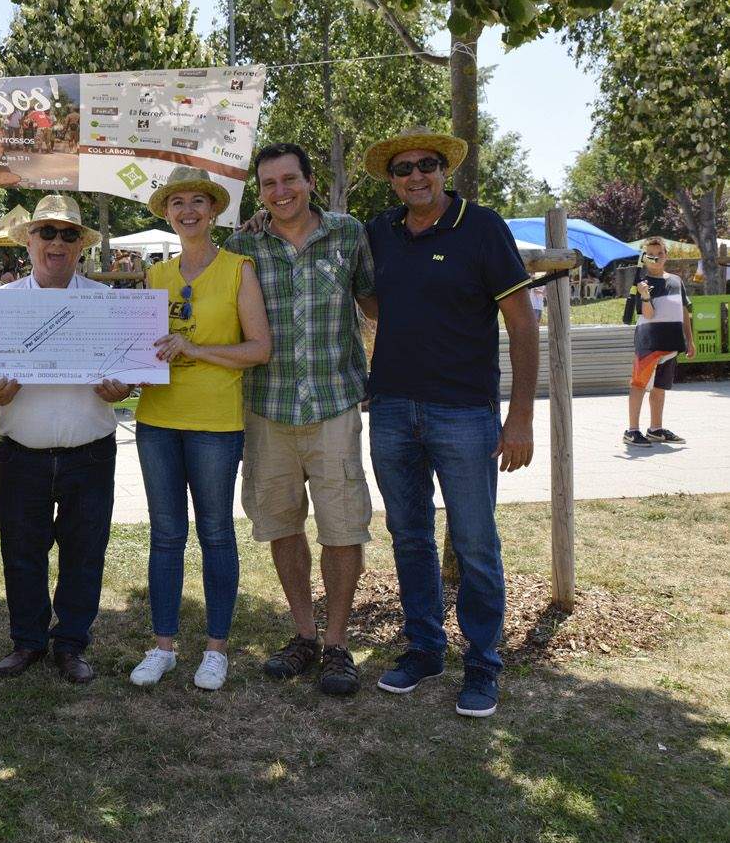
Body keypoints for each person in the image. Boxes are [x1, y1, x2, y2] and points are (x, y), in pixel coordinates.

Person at [361, 128, 538, 718]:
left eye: (427, 165)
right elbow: (372, 300)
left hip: (465, 413)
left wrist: (518, 417)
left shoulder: (482, 227)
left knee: (475, 541)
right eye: (404, 168)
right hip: (389, 409)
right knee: (408, 537)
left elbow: (522, 324)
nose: (416, 176)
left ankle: (484, 663)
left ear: (444, 170)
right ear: (390, 178)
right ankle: (425, 649)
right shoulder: (378, 233)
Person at [224, 144, 378, 696]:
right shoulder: (242, 244)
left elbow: (374, 302)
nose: (281, 191)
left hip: (334, 402)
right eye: (269, 184)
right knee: (281, 524)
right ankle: (304, 633)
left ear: (311, 181)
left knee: (342, 526)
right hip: (266, 407)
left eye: (290, 179)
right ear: (259, 191)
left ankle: (338, 643)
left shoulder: (349, 233)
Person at [0, 195, 131, 685]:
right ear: (28, 241)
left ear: (81, 245)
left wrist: (123, 385)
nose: (57, 243)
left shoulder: (106, 305)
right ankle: (27, 641)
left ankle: (70, 644)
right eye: (46, 232)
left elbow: (129, 374)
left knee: (85, 551)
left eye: (68, 234)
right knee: (21, 552)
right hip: (22, 452)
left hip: (91, 452)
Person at [130, 166, 270, 693]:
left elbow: (259, 348)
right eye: (177, 203)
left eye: (197, 202)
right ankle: (163, 646)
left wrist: (195, 349)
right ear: (167, 214)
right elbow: (139, 347)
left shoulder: (239, 269)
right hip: (157, 420)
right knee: (165, 536)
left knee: (215, 533)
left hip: (215, 422)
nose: (187, 211)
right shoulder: (155, 276)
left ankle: (215, 650)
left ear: (213, 211)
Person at [622, 236, 694, 446]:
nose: (655, 258)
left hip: (672, 343)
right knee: (639, 384)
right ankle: (632, 430)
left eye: (659, 254)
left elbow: (683, 311)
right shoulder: (641, 284)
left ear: (666, 255)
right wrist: (644, 295)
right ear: (644, 258)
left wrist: (689, 340)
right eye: (651, 255)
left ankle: (656, 428)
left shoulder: (676, 281)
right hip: (649, 343)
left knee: (660, 387)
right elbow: (649, 314)